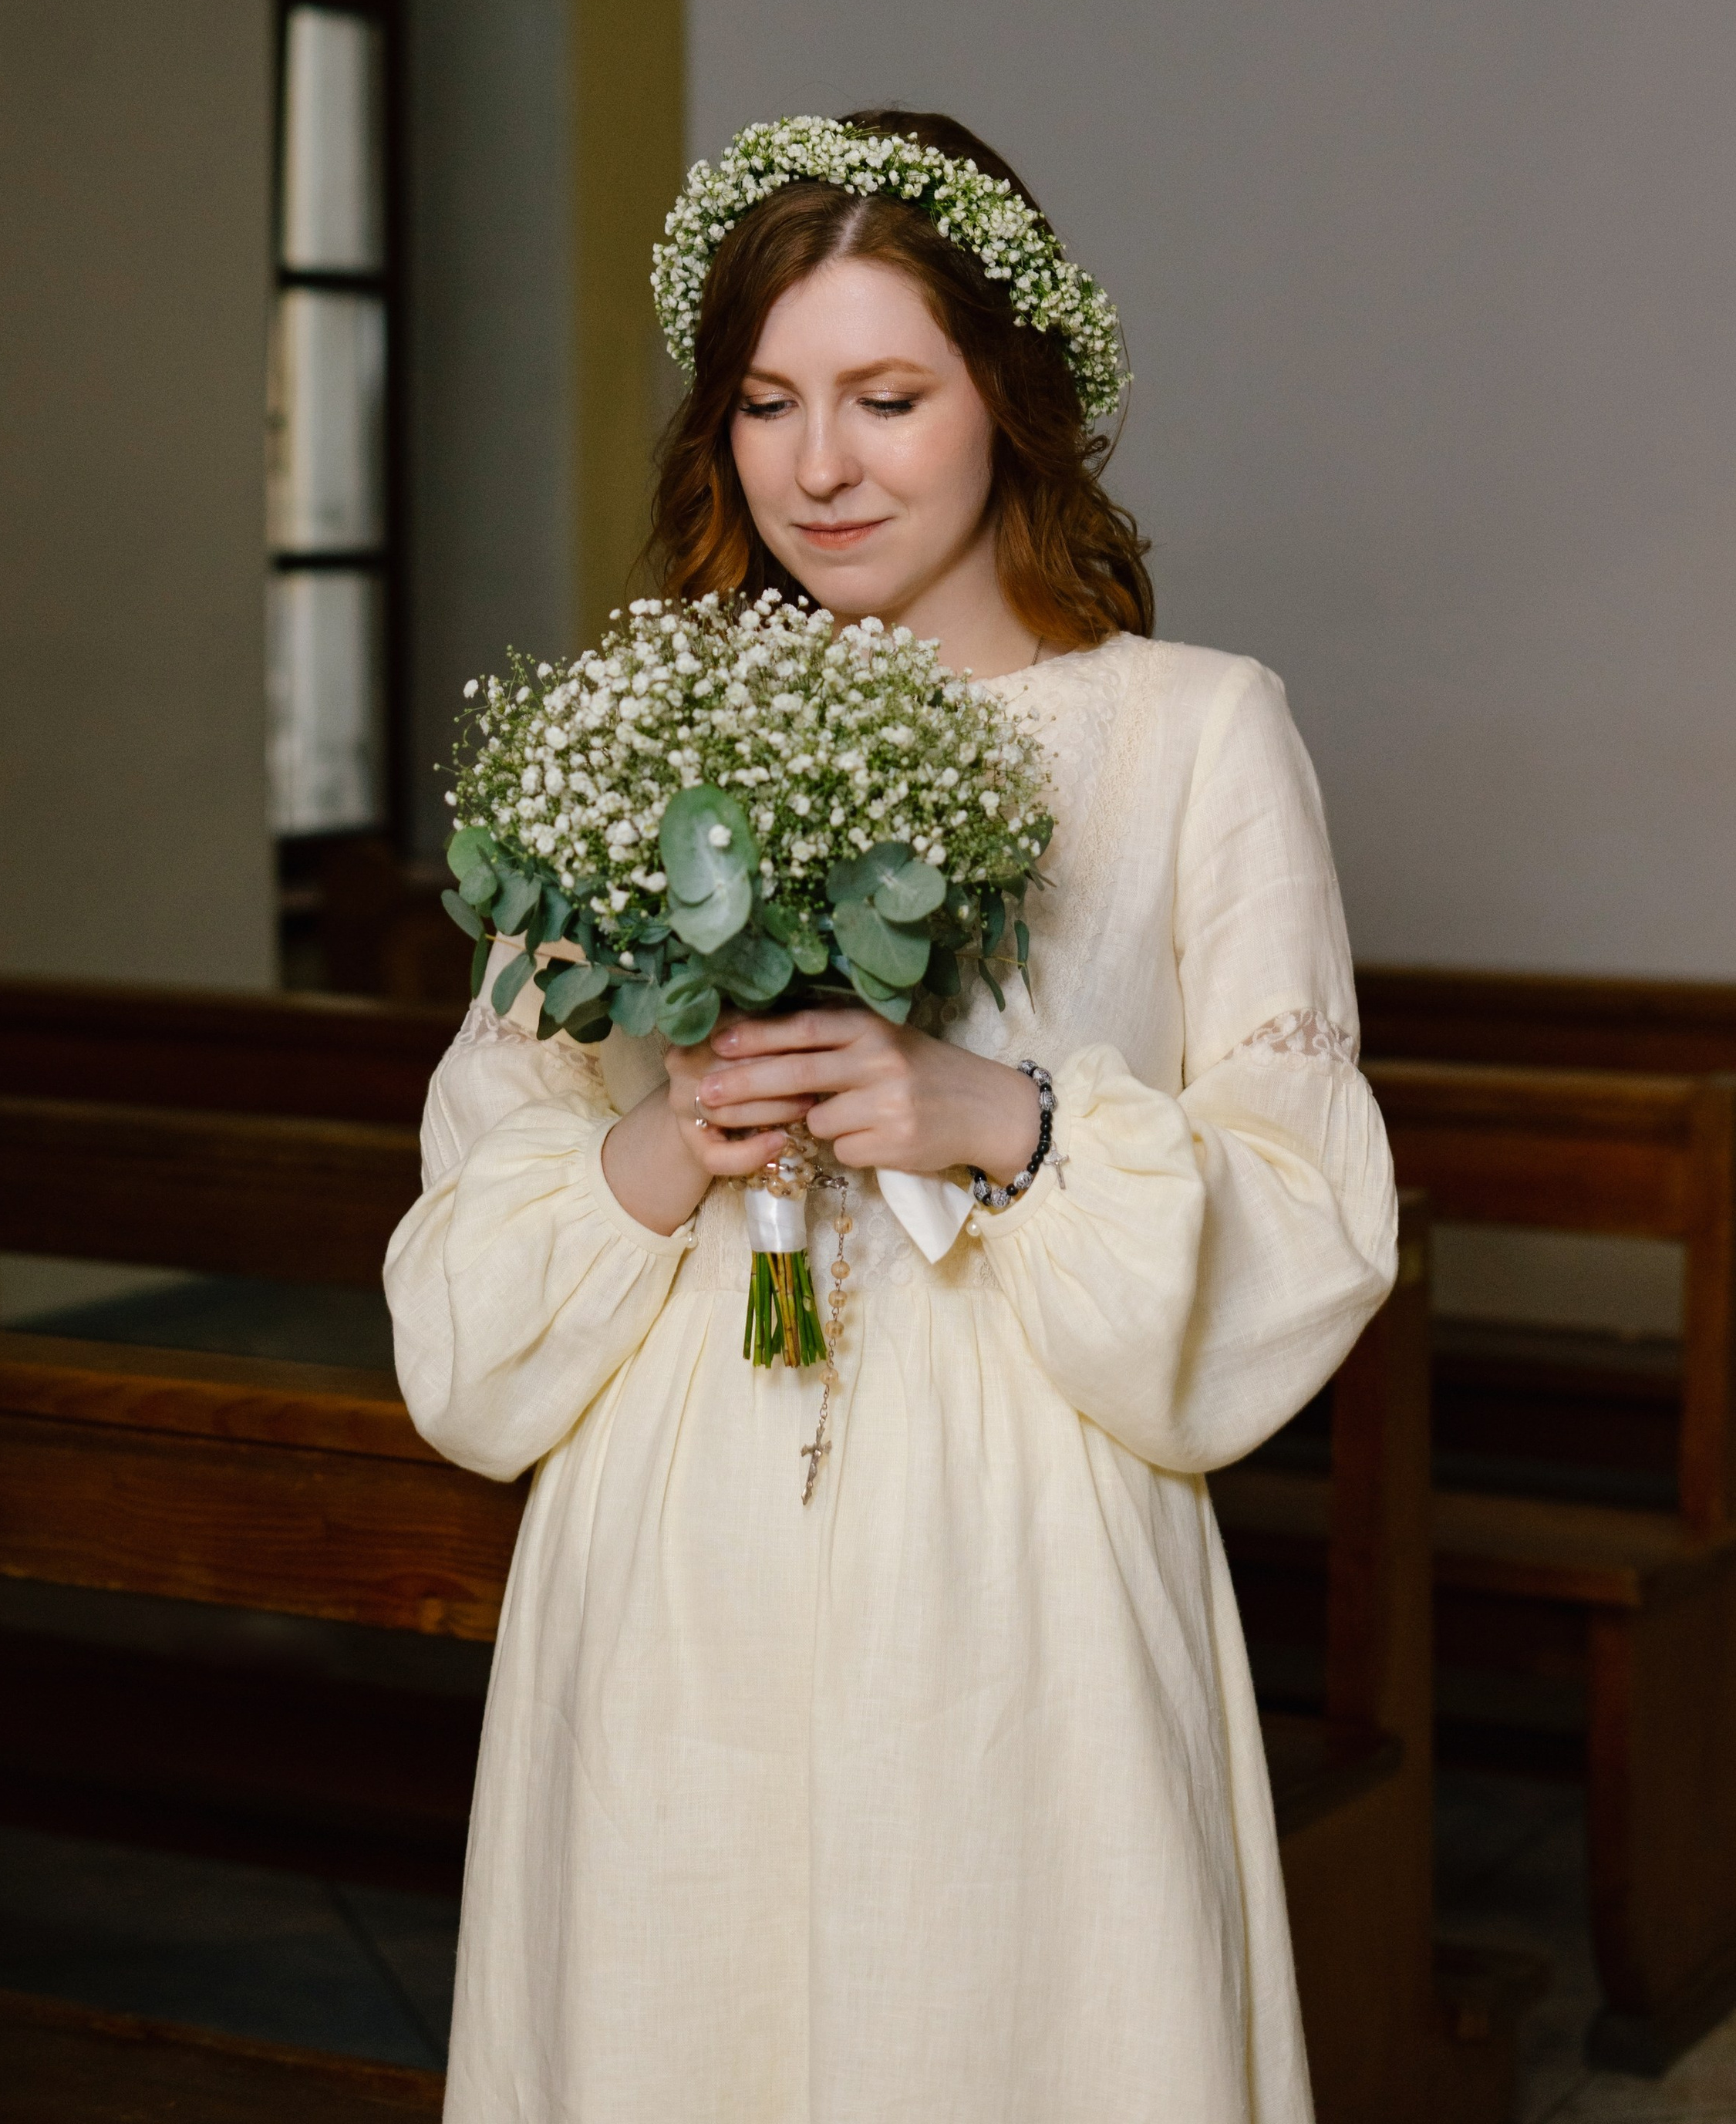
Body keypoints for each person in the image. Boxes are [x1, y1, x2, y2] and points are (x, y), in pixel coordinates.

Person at [385, 110, 1396, 2124]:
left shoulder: (1197, 734)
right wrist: (671, 1139)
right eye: (767, 404)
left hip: (1026, 1552)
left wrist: (995, 1116)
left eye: (887, 397)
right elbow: (473, 1237)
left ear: (1008, 396)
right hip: (675, 1536)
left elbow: (1312, 1212)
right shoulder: (634, 738)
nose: (819, 466)